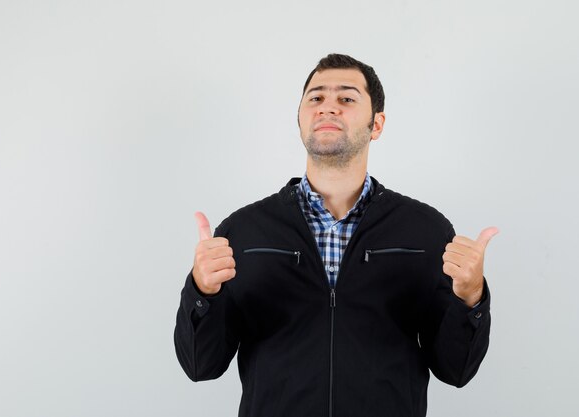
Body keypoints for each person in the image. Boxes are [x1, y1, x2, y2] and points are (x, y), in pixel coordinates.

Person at [174, 53, 497, 417]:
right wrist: (201, 292)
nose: (328, 107)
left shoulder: (425, 230)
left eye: (346, 98)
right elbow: (201, 366)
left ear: (377, 124)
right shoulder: (244, 231)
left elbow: (456, 370)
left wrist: (471, 299)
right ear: (300, 120)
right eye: (316, 98)